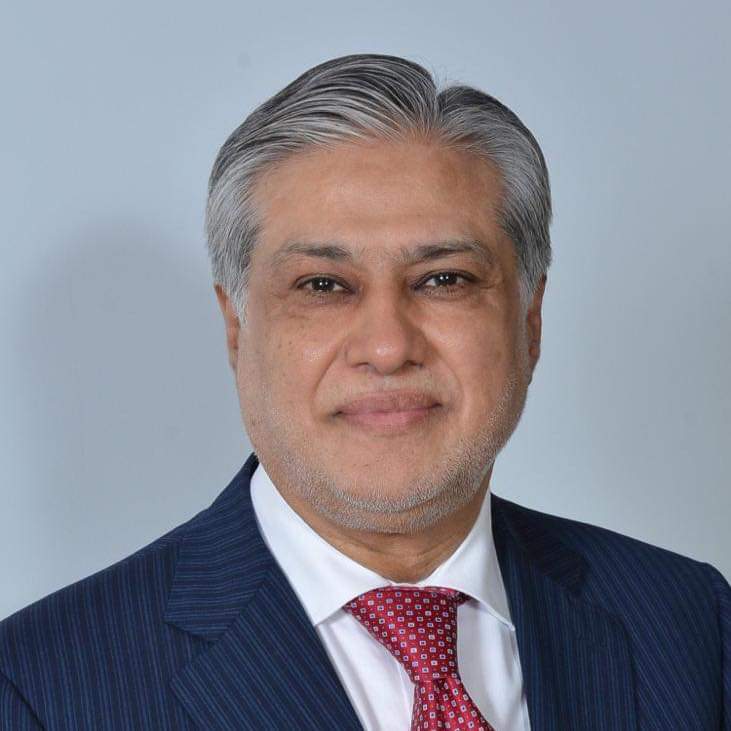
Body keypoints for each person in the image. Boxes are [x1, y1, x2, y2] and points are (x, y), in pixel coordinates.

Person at [0, 53, 728, 731]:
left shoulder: (691, 622)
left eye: (444, 279)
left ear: (529, 321)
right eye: (323, 285)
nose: (386, 346)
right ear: (236, 327)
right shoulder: (41, 688)